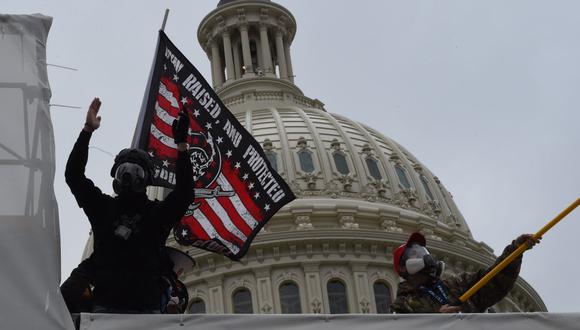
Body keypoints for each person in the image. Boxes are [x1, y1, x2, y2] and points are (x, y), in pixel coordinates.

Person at [65, 97, 195, 313]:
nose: (128, 178)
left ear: (146, 181)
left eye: (136, 173)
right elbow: (74, 176)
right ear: (115, 176)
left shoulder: (156, 215)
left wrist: (181, 147)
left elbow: (184, 193)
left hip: (145, 314)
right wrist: (87, 130)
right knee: (68, 293)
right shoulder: (103, 209)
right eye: (123, 171)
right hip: (105, 311)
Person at [390, 232, 539, 313]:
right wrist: (436, 319)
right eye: (414, 253)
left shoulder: (456, 285)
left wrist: (515, 250)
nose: (423, 256)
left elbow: (494, 280)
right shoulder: (402, 306)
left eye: (422, 251)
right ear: (403, 267)